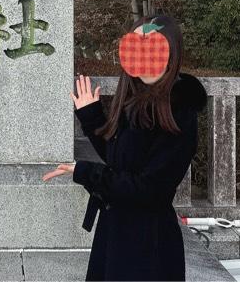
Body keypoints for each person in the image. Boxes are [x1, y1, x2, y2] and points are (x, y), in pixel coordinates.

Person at [43, 15, 206, 282]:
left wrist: (87, 173)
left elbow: (148, 189)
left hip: (148, 244)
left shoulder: (179, 109)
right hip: (115, 232)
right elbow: (118, 159)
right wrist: (91, 116)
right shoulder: (135, 98)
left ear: (170, 50)